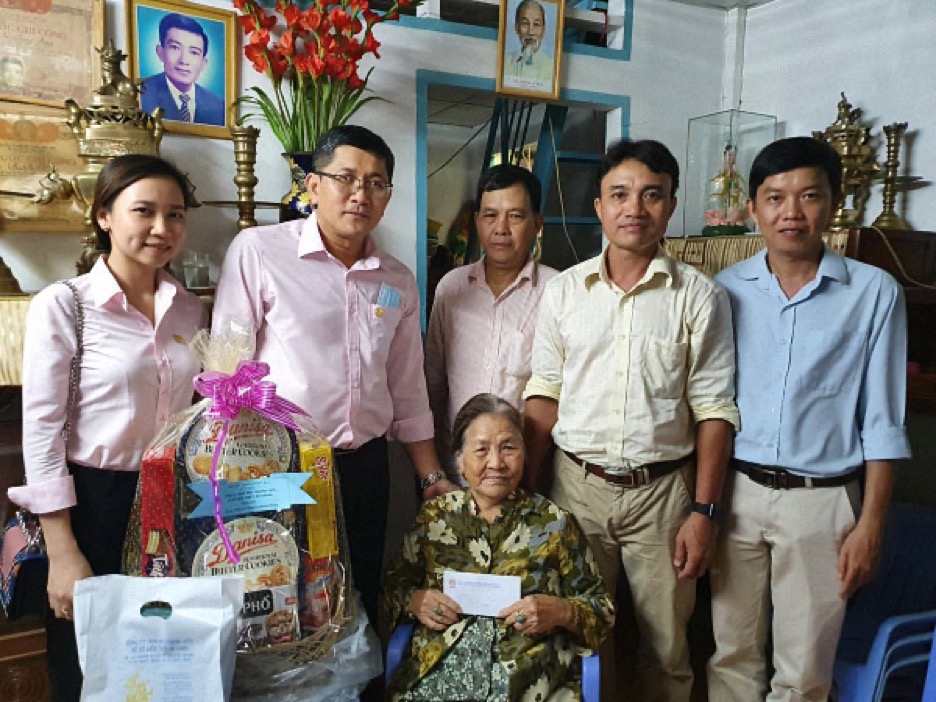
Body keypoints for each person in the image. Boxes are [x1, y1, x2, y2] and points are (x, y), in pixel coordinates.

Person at [212, 124, 459, 635]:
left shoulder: (396, 280)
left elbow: (407, 387)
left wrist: (430, 477)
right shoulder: (259, 252)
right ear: (313, 185)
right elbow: (225, 371)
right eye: (346, 178)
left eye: (376, 183)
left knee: (356, 594)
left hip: (365, 467)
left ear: (387, 197)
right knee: (280, 598)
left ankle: (358, 678)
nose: (360, 194)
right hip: (281, 467)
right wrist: (228, 475)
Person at [522, 138, 739, 701]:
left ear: (670, 205)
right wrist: (531, 492)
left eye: (651, 195)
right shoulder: (564, 292)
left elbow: (714, 409)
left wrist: (704, 512)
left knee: (666, 646)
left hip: (663, 496)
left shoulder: (700, 296)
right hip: (575, 488)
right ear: (599, 206)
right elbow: (544, 394)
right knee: (579, 635)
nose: (634, 208)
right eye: (619, 194)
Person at [707, 136, 912, 702]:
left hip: (822, 502)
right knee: (731, 655)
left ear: (834, 203)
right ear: (753, 208)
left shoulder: (874, 293)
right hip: (737, 493)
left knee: (804, 672)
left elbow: (884, 419)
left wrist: (871, 524)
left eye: (809, 196)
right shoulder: (726, 290)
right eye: (775, 197)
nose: (791, 213)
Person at [8, 154, 206, 702]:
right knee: (88, 666)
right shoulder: (65, 305)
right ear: (104, 217)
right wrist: (63, 550)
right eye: (144, 211)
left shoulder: (191, 311)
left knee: (165, 660)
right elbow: (42, 433)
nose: (162, 228)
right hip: (92, 502)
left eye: (175, 214)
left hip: (173, 500)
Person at [383, 393, 615, 701]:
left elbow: (602, 609)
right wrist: (415, 600)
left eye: (508, 448)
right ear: (460, 462)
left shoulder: (554, 522)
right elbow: (393, 585)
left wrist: (561, 611)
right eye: (481, 449)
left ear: (524, 455)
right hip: (439, 680)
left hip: (530, 683)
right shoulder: (435, 518)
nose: (496, 462)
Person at [425, 164, 557, 482]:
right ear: (477, 222)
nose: (501, 228)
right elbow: (434, 384)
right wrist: (435, 472)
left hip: (525, 473)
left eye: (515, 216)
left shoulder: (558, 292)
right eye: (490, 215)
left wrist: (533, 477)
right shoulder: (452, 288)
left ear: (537, 224)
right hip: (457, 472)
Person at [141, 13, 225, 126]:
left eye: (194, 52)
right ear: (160, 52)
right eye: (175, 47)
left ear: (203, 64)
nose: (184, 60)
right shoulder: (141, 94)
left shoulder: (219, 106)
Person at [503, 0, 553, 88]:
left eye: (536, 24)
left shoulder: (552, 69)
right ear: (516, 28)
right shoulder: (505, 63)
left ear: (544, 30)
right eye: (525, 24)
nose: (531, 32)